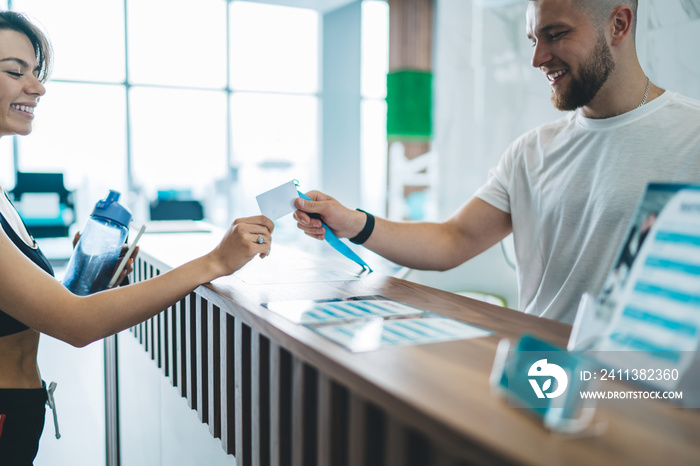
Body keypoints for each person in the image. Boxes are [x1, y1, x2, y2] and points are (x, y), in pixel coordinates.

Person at [294, 0, 700, 324]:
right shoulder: (531, 152)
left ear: (619, 25)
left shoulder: (692, 137)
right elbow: (453, 239)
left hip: (650, 389)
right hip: (539, 375)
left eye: (555, 34)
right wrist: (354, 223)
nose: (538, 58)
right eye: (532, 39)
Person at [0, 11, 274, 464]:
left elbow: (37, 308)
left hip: (20, 410)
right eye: (15, 71)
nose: (37, 87)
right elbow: (74, 324)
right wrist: (215, 262)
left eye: (36, 72)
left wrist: (84, 284)